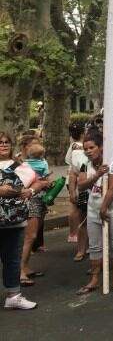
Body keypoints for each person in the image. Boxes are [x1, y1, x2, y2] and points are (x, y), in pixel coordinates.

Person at [76, 133, 113, 294]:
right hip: (94, 209)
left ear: (100, 147)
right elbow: (82, 185)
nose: (88, 151)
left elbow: (112, 188)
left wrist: (104, 209)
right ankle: (94, 279)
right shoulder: (85, 165)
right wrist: (97, 174)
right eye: (85, 148)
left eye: (92, 147)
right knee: (95, 246)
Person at [0, 132, 43, 310]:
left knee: (13, 260)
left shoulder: (20, 165)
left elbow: (38, 182)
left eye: (6, 142)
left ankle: (14, 295)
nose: (3, 145)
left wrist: (30, 191)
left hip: (15, 219)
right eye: (0, 142)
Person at [17, 135, 47, 286]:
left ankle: (26, 267)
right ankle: (20, 271)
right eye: (33, 145)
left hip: (40, 198)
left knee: (32, 237)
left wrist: (45, 183)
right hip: (30, 201)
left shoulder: (40, 161)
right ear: (24, 147)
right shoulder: (19, 163)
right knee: (30, 236)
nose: (37, 148)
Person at [66, 123, 88, 260]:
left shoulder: (74, 146)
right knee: (80, 214)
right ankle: (76, 239)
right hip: (79, 184)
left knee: (80, 213)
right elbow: (74, 171)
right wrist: (72, 191)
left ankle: (74, 234)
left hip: (87, 186)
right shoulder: (78, 149)